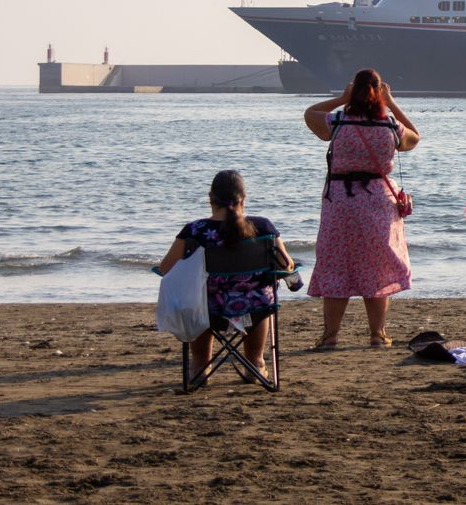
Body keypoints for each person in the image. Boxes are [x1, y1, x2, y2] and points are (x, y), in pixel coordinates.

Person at [302, 68, 420, 348]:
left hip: (341, 201)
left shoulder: (339, 120)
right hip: (378, 201)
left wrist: (340, 98)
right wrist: (391, 103)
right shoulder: (391, 126)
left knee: (335, 267)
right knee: (376, 268)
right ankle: (377, 335)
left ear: (353, 92)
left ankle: (330, 336)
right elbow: (415, 137)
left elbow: (309, 114)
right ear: (379, 92)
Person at [155, 169, 294, 383]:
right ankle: (255, 363)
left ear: (210, 198)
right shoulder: (263, 227)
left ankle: (201, 367)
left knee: (195, 298)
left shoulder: (195, 231)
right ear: (243, 198)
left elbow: (166, 269)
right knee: (260, 294)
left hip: (208, 310)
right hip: (255, 307)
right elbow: (286, 266)